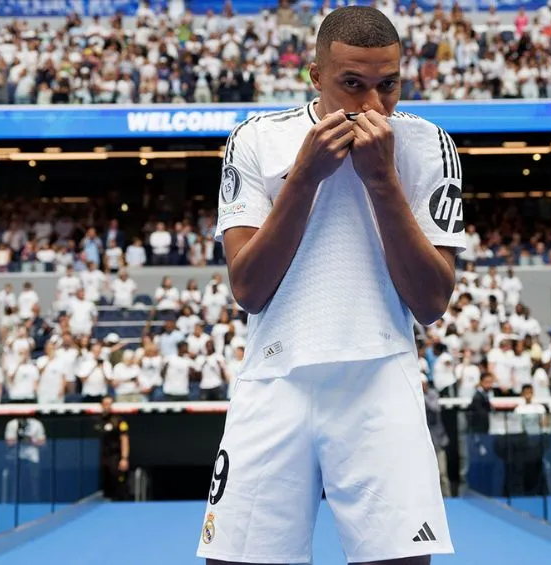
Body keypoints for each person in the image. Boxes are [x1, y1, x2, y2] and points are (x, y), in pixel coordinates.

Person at [198, 7, 463, 564]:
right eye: (352, 84)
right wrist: (306, 175)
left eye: (387, 85)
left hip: (381, 379)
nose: (371, 105)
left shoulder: (428, 144)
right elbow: (247, 288)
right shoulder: (257, 139)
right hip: (274, 379)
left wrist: (382, 180)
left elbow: (432, 302)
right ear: (316, 77)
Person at [96, 397, 130, 500]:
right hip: (100, 457)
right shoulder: (97, 420)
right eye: (106, 404)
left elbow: (124, 439)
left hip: (115, 456)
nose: (108, 406)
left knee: (117, 482)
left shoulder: (119, 421)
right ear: (101, 405)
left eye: (110, 404)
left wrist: (124, 458)